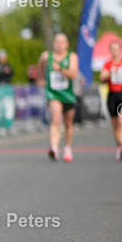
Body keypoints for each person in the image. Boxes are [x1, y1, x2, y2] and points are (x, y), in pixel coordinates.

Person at [37, 33, 79, 162]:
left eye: (62, 42)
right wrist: (41, 78)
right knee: (56, 119)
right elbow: (39, 66)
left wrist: (60, 69)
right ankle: (54, 148)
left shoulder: (71, 56)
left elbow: (73, 74)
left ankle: (67, 148)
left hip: (68, 94)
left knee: (68, 123)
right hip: (53, 93)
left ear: (66, 44)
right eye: (57, 41)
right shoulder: (46, 56)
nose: (59, 44)